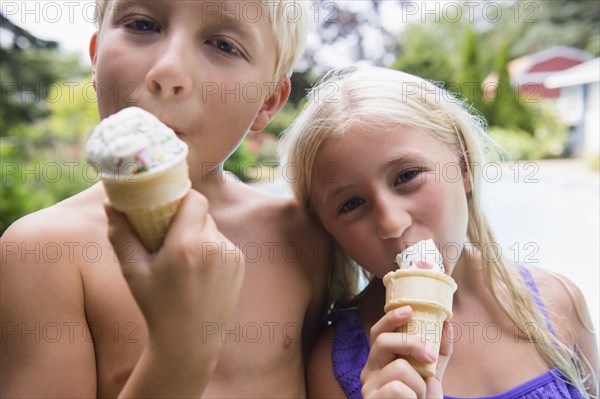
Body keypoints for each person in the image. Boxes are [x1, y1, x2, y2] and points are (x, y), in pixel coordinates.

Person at [1, 1, 331, 397]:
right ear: (95, 58)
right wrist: (181, 349)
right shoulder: (43, 253)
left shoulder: (303, 235)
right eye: (141, 24)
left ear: (268, 102)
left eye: (224, 46)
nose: (168, 71)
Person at [279, 65, 599, 398]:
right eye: (351, 204)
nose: (391, 222)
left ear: (463, 164)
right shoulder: (336, 368)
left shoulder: (560, 302)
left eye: (407, 176)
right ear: (329, 231)